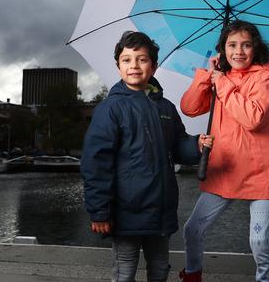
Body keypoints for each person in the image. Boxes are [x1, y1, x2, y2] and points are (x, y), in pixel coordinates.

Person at [81, 30, 214, 282]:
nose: (134, 66)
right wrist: (99, 211)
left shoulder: (166, 108)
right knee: (125, 271)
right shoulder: (110, 108)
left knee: (160, 268)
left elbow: (177, 147)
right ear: (118, 66)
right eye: (127, 60)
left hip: (160, 210)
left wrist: (196, 145)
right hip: (126, 211)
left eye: (142, 60)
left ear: (153, 66)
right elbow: (95, 163)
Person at [179, 20, 269, 282]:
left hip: (259, 172)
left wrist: (223, 84)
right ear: (223, 49)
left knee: (259, 240)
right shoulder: (219, 78)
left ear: (255, 48)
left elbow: (253, 118)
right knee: (193, 230)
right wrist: (208, 76)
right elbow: (190, 108)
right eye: (232, 45)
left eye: (246, 45)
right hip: (223, 169)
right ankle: (192, 274)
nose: (239, 51)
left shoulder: (265, 78)